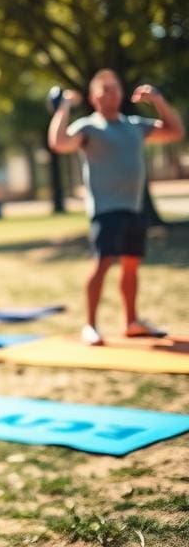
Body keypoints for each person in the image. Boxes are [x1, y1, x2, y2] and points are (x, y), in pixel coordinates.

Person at [48, 69, 184, 346]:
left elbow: (175, 132)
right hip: (105, 209)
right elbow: (59, 143)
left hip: (133, 208)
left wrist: (157, 100)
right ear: (94, 96)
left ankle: (131, 321)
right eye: (105, 89)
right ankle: (91, 325)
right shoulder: (87, 127)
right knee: (102, 264)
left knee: (132, 265)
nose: (112, 93)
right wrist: (63, 106)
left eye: (116, 88)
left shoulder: (134, 125)